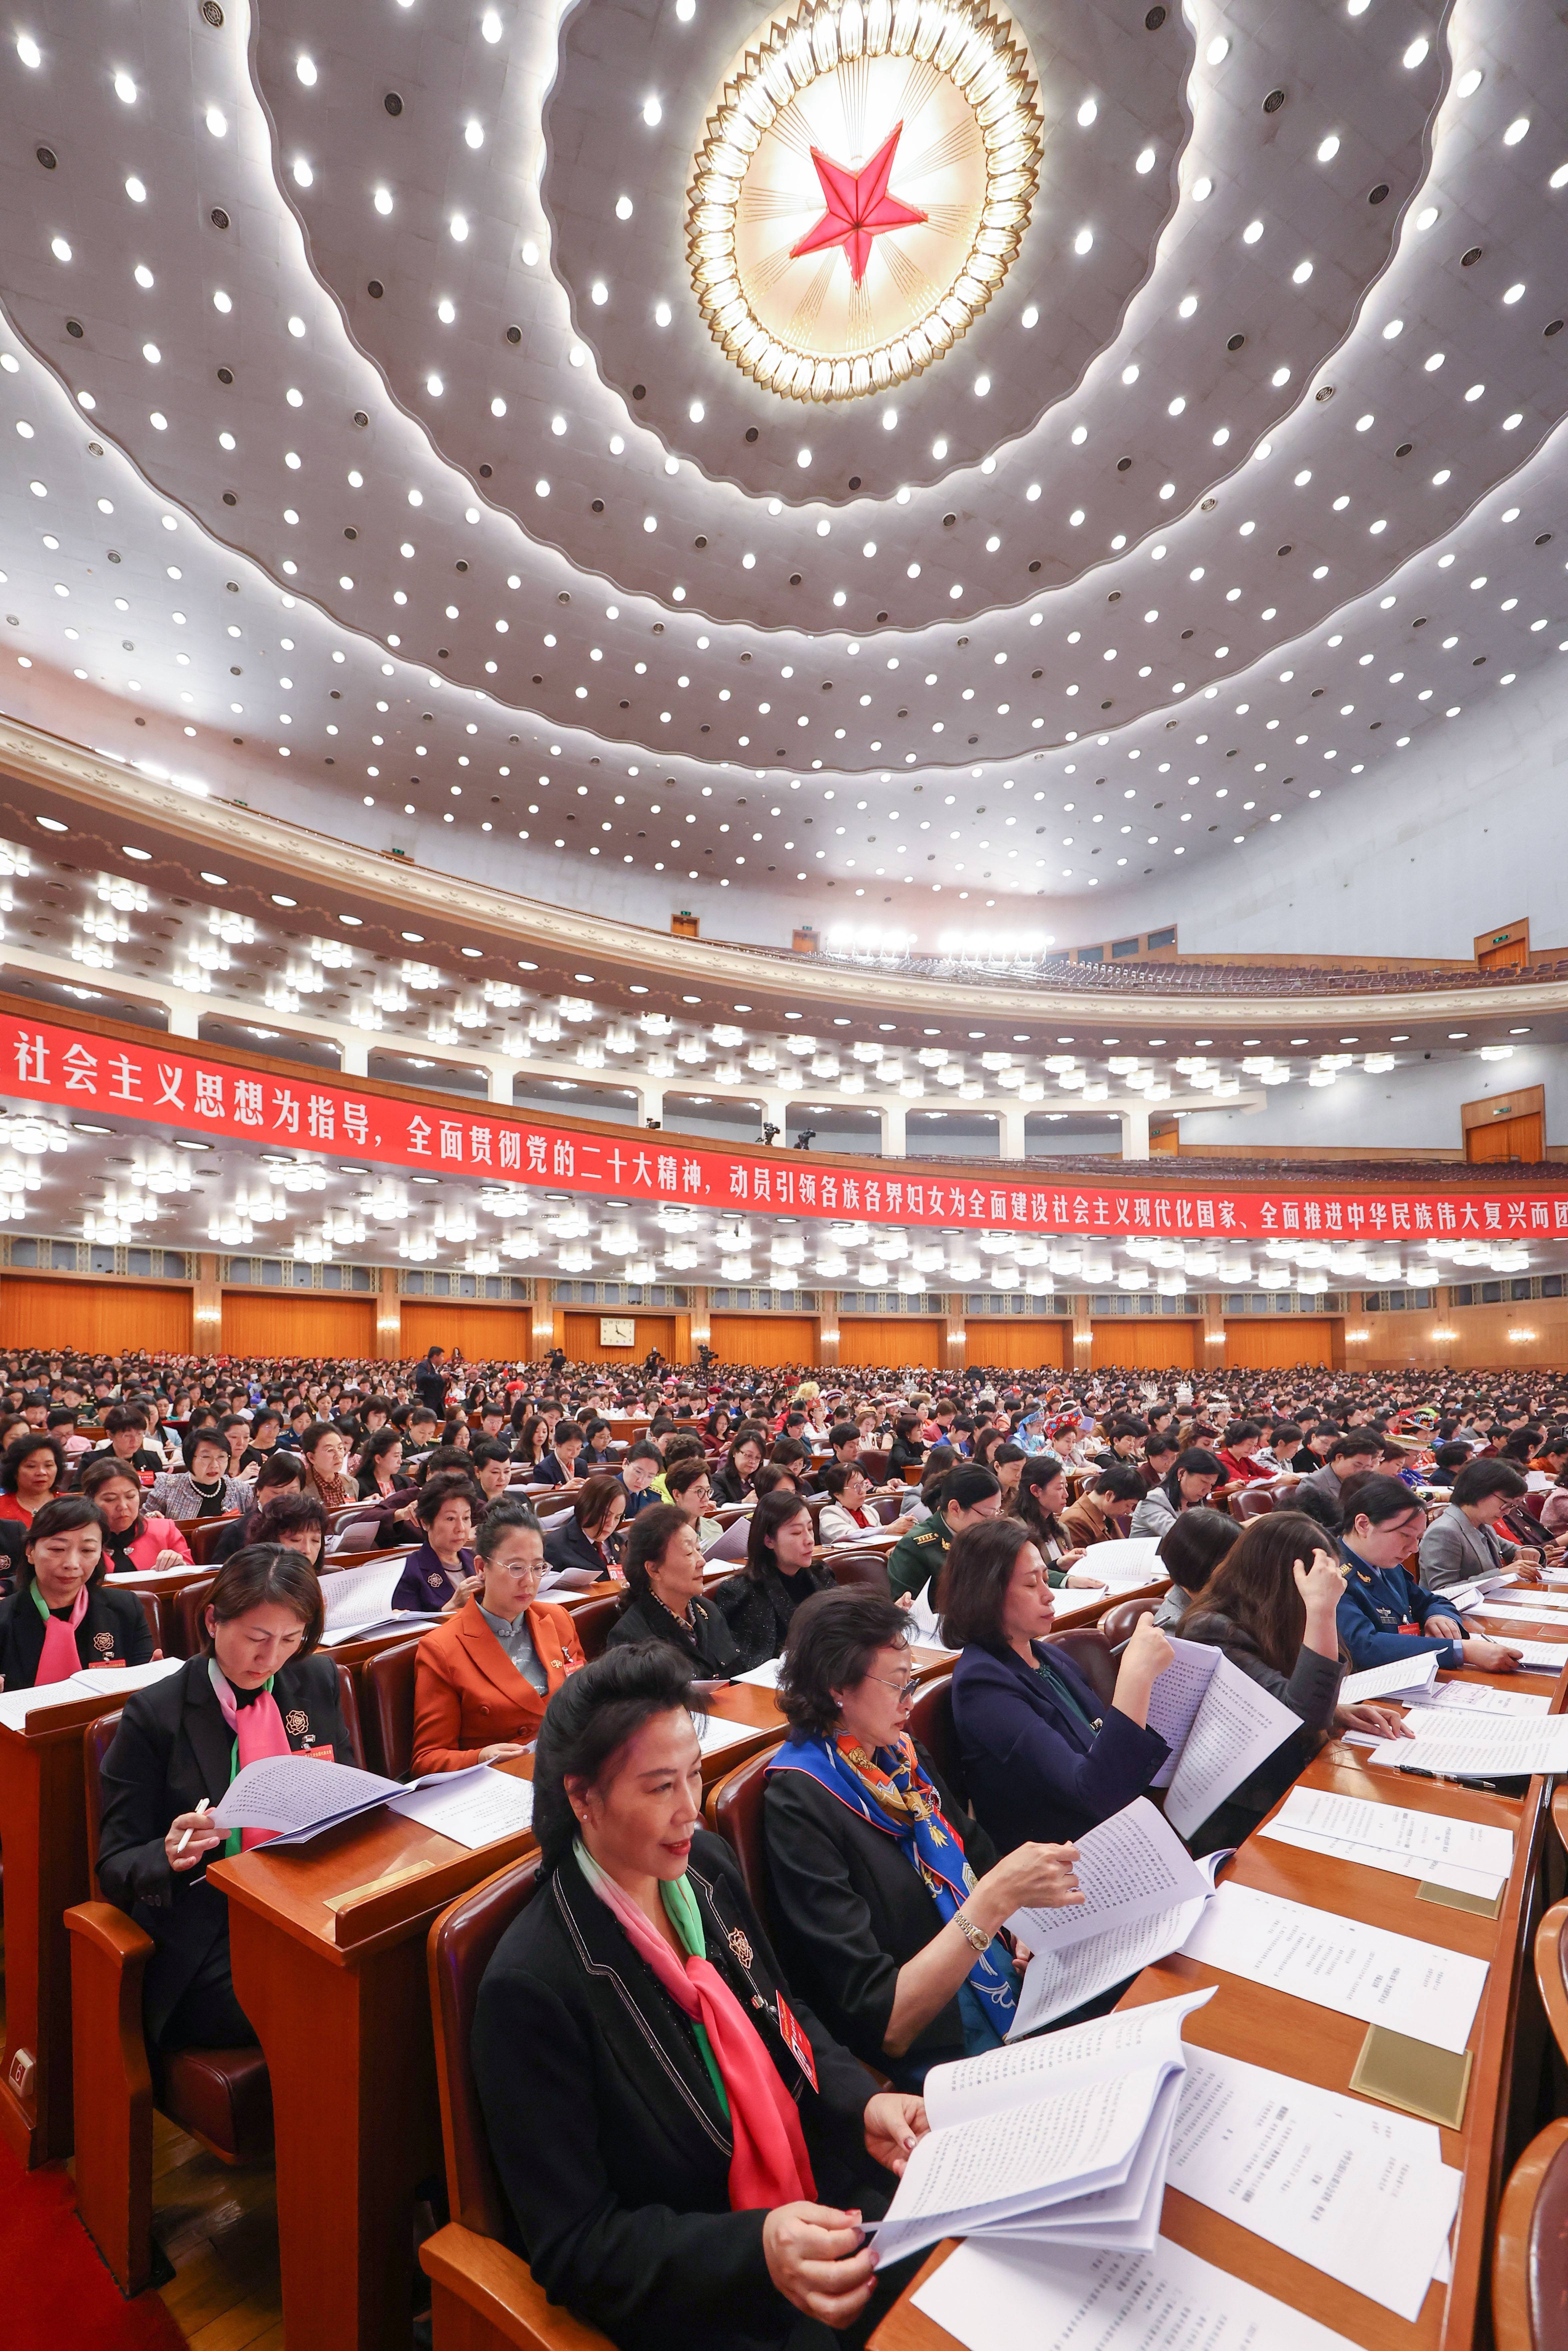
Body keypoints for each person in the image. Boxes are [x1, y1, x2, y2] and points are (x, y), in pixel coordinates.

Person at [471, 1641, 928, 2351]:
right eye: (659, 1788)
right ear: (582, 1797)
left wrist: (860, 2101)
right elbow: (577, 2243)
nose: (691, 1809)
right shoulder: (533, 1986)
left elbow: (783, 2015)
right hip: (704, 2282)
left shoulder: (703, 1867)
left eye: (695, 1775)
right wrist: (757, 2248)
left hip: (808, 2193)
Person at [763, 1589, 1082, 2086]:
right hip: (936, 2045)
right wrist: (995, 1903)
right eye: (896, 1685)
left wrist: (1021, 1926)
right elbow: (886, 2022)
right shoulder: (799, 1803)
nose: (909, 1701)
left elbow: (977, 1854)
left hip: (999, 1980)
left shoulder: (901, 1758)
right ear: (834, 1688)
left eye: (912, 1681)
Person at [96, 1548, 353, 2055]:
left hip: (309, 1895)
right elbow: (114, 1863)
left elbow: (348, 1788)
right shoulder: (156, 1715)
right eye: (257, 1638)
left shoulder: (316, 1680)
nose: (271, 1658)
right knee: (329, 1995)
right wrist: (167, 1854)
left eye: (290, 1639)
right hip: (211, 1928)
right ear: (213, 1620)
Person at [1178, 1515, 1409, 1851]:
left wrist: (1338, 1711)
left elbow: (1283, 1697)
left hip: (1294, 1776)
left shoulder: (1275, 1613)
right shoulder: (1211, 1628)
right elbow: (1300, 1718)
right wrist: (1321, 1611)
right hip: (1246, 1808)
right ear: (1282, 1578)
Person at [947, 1517, 1174, 1853]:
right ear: (988, 1593)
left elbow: (1101, 1745)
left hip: (1113, 1830)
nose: (1048, 1594)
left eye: (1045, 1577)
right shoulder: (982, 1686)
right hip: (1063, 1860)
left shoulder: (1048, 1654)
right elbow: (1095, 1792)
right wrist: (1136, 1676)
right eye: (1030, 1584)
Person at [412, 1503, 586, 1772]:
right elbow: (427, 1761)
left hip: (568, 1762)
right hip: (503, 1777)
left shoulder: (557, 1619)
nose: (529, 1582)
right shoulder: (442, 1648)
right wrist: (480, 1757)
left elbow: (584, 1700)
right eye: (516, 1568)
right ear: (481, 1568)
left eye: (538, 1567)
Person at [1337, 1474, 1523, 1674]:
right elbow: (1364, 1646)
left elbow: (1432, 1600)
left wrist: (1439, 1617)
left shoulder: (1383, 1563)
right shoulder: (1333, 1574)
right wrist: (1460, 1651)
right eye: (1405, 1535)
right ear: (1364, 1525)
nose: (1414, 1549)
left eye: (1418, 1538)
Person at [0, 1495, 155, 1687]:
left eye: (87, 1551)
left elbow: (140, 1688)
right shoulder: (4, 1618)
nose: (72, 1564)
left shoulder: (126, 1608)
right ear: (30, 1551)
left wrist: (152, 1683)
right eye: (57, 1549)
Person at [605, 1503, 738, 1679]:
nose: (702, 1562)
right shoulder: (631, 1637)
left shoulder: (709, 1610)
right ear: (654, 1570)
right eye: (689, 1553)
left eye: (698, 1549)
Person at [711, 1491, 834, 1672]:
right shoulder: (742, 1593)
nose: (809, 1540)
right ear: (768, 1540)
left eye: (810, 1528)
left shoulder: (821, 1574)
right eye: (797, 1533)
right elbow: (753, 1665)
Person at [1419, 1459, 1544, 1591]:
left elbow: (1511, 1550)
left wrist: (1530, 1552)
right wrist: (1500, 1574)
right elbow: (1442, 1591)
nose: (1507, 1512)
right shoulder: (1444, 1532)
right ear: (1480, 1492)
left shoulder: (1482, 1524)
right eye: (1506, 1504)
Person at [886, 1464, 1002, 1605]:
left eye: (998, 1512)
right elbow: (905, 1611)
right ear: (955, 1508)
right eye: (989, 1515)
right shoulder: (914, 1548)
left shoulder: (991, 1539)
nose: (995, 1522)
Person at [79, 1456, 193, 1574]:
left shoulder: (165, 1530)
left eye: (130, 1497)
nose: (123, 1506)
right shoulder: (79, 1539)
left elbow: (193, 1575)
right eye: (111, 1499)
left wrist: (181, 1565)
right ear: (91, 1501)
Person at [389, 1472, 481, 1613]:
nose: (461, 1529)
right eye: (451, 1519)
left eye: (466, 1518)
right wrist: (453, 1605)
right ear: (425, 1523)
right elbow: (412, 1631)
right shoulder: (409, 1572)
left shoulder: (478, 1561)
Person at [208, 1452, 310, 1565]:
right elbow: (219, 1575)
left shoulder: (308, 1526)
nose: (284, 1499)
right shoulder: (237, 1532)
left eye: (292, 1493)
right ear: (259, 1490)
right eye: (276, 1492)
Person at [1006, 1456, 1089, 1587]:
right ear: (1036, 1491)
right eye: (1059, 1488)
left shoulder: (1061, 1529)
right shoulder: (1015, 1531)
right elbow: (1025, 1576)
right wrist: (1066, 1579)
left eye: (1066, 1487)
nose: (1066, 1495)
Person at [1152, 1507, 1239, 1630]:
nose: (1240, 1568)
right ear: (1204, 1567)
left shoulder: (1221, 1599)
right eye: (1232, 1561)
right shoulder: (1177, 1628)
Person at [543, 1474, 628, 1587]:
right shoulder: (554, 1545)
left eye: (618, 1517)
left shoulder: (624, 1543)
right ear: (587, 1507)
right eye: (606, 1515)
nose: (611, 1524)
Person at [149, 1430, 250, 1523]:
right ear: (189, 1458)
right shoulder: (168, 1487)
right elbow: (143, 1522)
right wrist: (153, 1520)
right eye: (206, 1457)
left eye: (221, 1457)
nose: (215, 1465)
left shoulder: (241, 1490)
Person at [1129, 1448, 1224, 1540]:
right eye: (1204, 1482)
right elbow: (1180, 1536)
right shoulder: (1153, 1500)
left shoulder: (1195, 1502)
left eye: (1212, 1485)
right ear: (1182, 1473)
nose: (1208, 1490)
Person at [817, 1461, 912, 1549]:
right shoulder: (829, 1513)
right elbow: (850, 1536)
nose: (862, 1491)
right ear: (837, 1494)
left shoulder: (870, 1511)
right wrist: (889, 1529)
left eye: (864, 1485)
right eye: (856, 1487)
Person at [1060, 1464, 1145, 1551]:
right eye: (1128, 1505)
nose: (1129, 1511)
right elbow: (1084, 1562)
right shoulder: (1075, 1520)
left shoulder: (1107, 1511)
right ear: (1110, 1495)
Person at [0, 1429, 67, 1527]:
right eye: (31, 1466)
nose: (42, 1472)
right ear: (14, 1471)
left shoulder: (71, 1505)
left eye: (49, 1465)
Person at [298, 1421, 359, 1512]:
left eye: (340, 1448)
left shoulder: (352, 1483)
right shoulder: (300, 1488)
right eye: (330, 1450)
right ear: (312, 1458)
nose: (338, 1455)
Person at [711, 1427, 766, 1506]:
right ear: (735, 1453)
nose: (753, 1462)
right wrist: (744, 1502)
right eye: (749, 1455)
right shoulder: (718, 1480)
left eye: (758, 1458)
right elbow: (718, 1509)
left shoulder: (762, 1480)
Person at [533, 1420, 585, 1489]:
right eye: (570, 1449)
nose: (574, 1453)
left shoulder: (582, 1464)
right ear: (557, 1444)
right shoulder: (543, 1469)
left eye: (579, 1448)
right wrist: (564, 1489)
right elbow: (544, 1498)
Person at [414, 1345, 449, 1419]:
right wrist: (440, 1376)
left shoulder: (440, 1368)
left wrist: (447, 1380)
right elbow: (421, 1378)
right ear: (435, 1357)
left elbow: (438, 1384)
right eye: (442, 1356)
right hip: (428, 1402)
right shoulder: (424, 1365)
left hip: (439, 1403)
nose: (443, 1359)